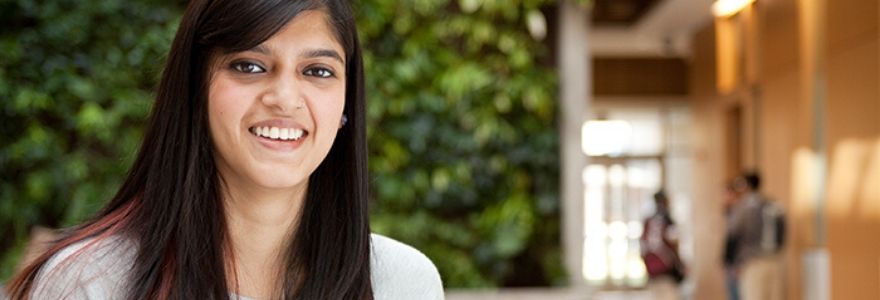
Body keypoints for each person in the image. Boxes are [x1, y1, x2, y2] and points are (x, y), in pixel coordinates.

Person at [5, 1, 443, 299]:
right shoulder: (91, 283)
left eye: (317, 70)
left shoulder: (401, 283)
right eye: (249, 66)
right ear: (196, 88)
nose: (286, 98)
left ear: (346, 104)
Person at [727, 171, 785, 300]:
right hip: (774, 260)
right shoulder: (772, 204)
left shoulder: (743, 207)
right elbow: (782, 230)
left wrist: (732, 262)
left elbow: (734, 234)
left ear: (746, 186)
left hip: (752, 262)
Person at [640, 190, 684, 300]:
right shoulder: (667, 220)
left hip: (652, 270)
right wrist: (680, 264)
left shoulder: (648, 221)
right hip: (666, 270)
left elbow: (643, 246)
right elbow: (674, 243)